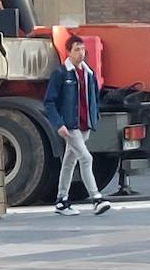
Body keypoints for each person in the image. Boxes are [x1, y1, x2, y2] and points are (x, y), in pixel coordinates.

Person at [43, 35, 111, 216]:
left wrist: (93, 118)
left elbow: (94, 97)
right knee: (86, 158)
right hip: (70, 126)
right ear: (68, 52)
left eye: (82, 49)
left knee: (69, 161)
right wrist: (59, 123)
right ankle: (96, 198)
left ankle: (61, 200)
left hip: (84, 126)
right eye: (76, 50)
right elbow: (49, 101)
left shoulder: (88, 74)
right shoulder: (61, 73)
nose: (81, 53)